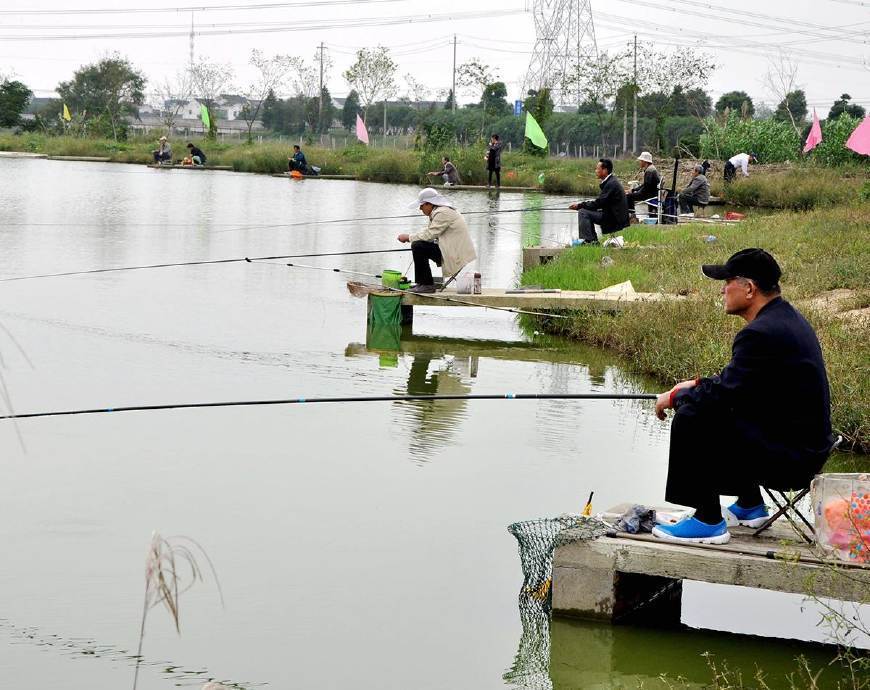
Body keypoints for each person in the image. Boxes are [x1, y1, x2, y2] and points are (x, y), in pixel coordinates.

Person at [651, 248, 835, 544]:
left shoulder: (760, 333)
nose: (722, 289)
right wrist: (691, 384)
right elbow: (739, 385)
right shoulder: (783, 319)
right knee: (721, 408)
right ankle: (750, 505)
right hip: (807, 449)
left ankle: (707, 520)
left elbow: (723, 395)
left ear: (749, 288)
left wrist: (677, 398)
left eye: (727, 281)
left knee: (691, 417)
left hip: (793, 460)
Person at [397, 188, 477, 294]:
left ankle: (427, 285)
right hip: (450, 251)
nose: (420, 209)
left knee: (418, 246)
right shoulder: (439, 211)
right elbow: (430, 232)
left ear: (429, 204)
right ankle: (422, 283)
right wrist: (412, 237)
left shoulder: (443, 212)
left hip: (455, 255)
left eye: (422, 205)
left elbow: (430, 234)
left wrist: (408, 237)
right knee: (419, 244)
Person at [569, 158, 629, 244]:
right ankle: (592, 241)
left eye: (597, 168)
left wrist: (579, 205)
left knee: (583, 212)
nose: (596, 171)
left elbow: (599, 203)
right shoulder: (610, 181)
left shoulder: (611, 184)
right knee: (586, 211)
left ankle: (590, 241)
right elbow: (602, 202)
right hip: (613, 215)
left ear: (605, 170)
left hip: (614, 219)